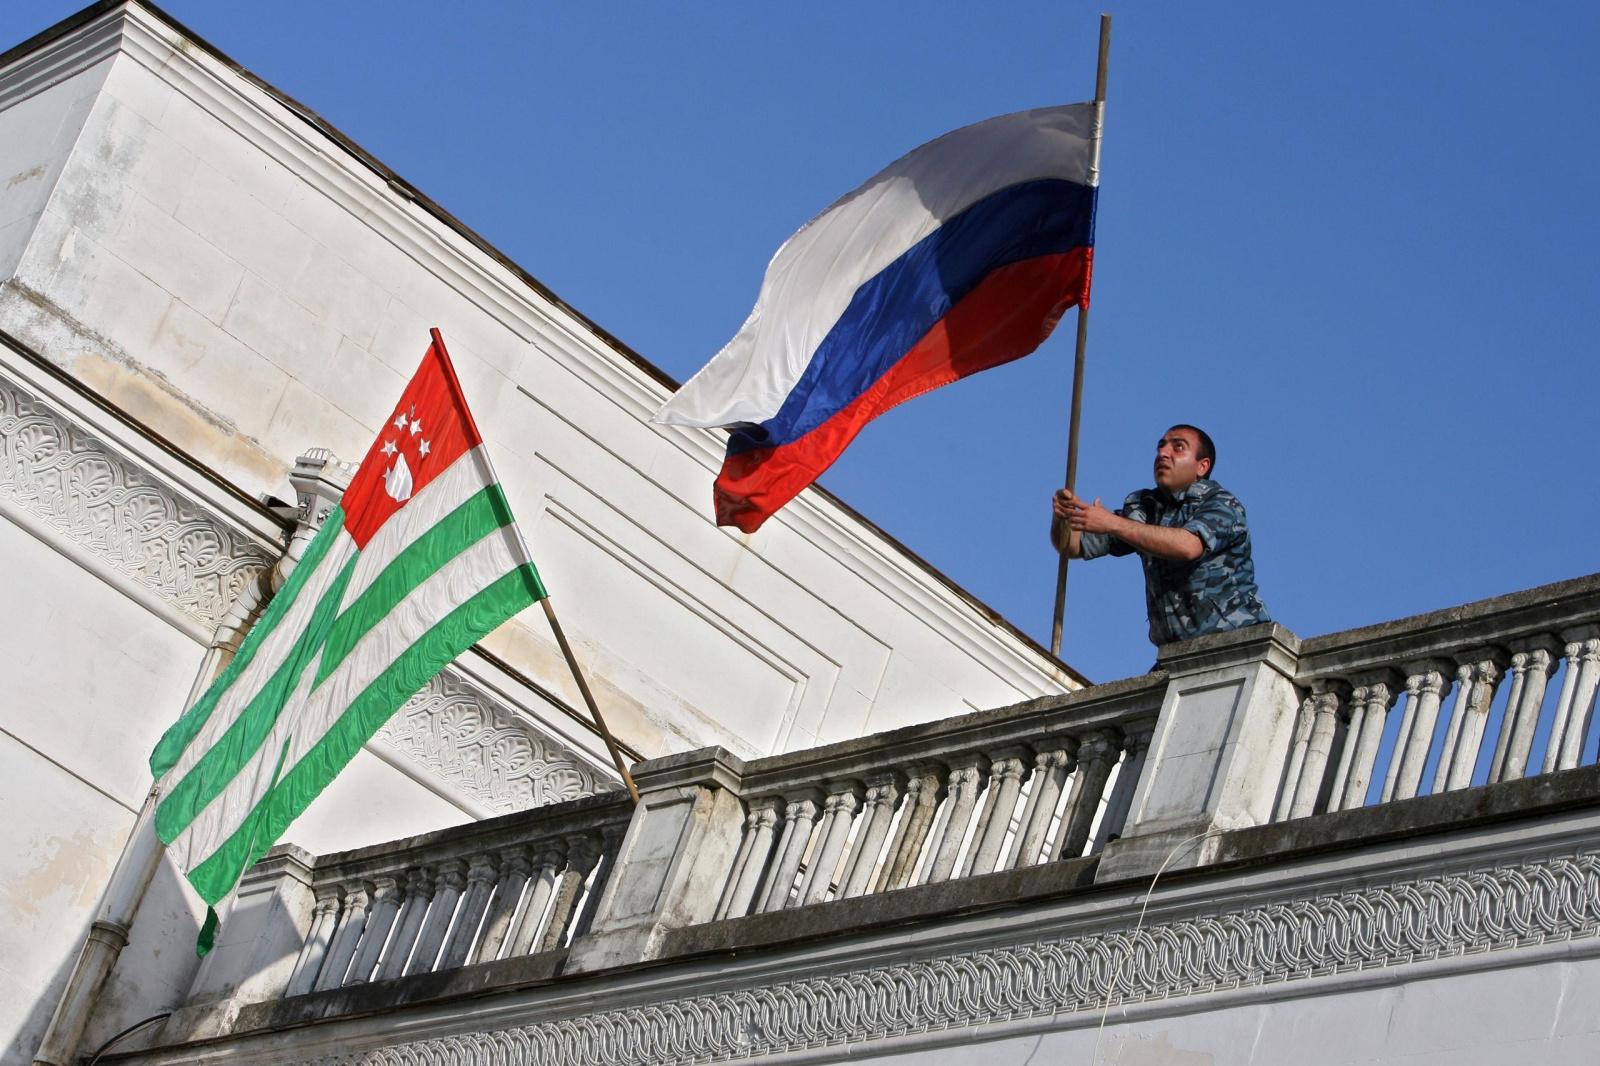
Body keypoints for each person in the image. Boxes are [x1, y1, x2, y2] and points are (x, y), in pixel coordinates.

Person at [1051, 424, 1270, 647]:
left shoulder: (1221, 504)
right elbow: (1071, 546)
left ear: (1202, 467)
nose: (1164, 453)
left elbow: (1187, 546)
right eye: (1161, 446)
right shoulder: (1145, 508)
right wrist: (1063, 517)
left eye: (1178, 447)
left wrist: (1113, 523)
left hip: (1236, 643)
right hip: (1177, 652)